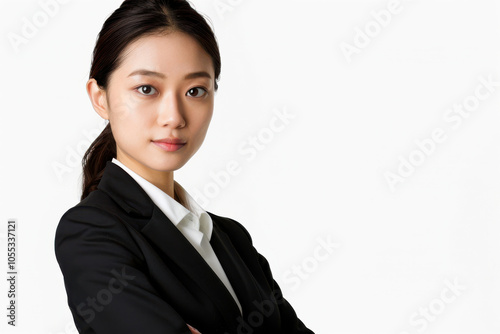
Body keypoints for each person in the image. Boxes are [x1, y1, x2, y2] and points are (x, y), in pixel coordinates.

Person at [54, 0, 314, 333]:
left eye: (195, 90)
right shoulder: (90, 233)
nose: (174, 117)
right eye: (146, 89)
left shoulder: (231, 238)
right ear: (100, 98)